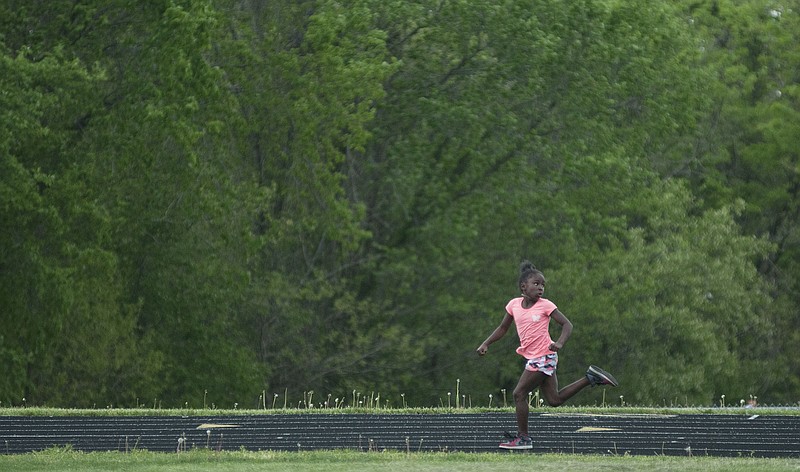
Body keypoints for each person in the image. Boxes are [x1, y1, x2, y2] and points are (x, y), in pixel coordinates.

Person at [476, 260, 618, 450]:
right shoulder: (514, 305)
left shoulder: (545, 305)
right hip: (535, 357)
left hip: (544, 356)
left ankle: (524, 438)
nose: (541, 288)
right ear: (523, 286)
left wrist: (559, 342)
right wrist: (486, 343)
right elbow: (503, 328)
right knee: (554, 400)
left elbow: (568, 325)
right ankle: (589, 378)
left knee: (519, 394)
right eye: (536, 284)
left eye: (543, 285)